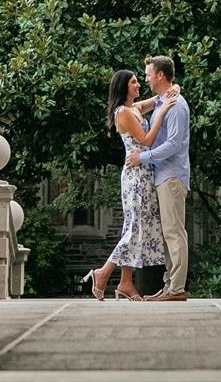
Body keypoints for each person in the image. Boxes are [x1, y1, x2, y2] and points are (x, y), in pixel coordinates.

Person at [85, 67, 178, 300]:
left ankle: (126, 282)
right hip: (135, 176)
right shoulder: (123, 113)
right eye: (134, 82)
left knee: (134, 228)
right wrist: (165, 110)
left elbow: (156, 99)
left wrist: (172, 90)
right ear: (124, 86)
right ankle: (102, 273)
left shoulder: (135, 108)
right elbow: (147, 139)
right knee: (134, 229)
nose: (139, 85)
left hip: (145, 172)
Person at [125, 55, 190, 300]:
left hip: (172, 175)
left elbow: (173, 144)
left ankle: (177, 289)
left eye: (149, 74)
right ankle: (171, 285)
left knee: (174, 232)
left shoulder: (176, 105)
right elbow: (139, 106)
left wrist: (142, 157)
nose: (146, 78)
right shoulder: (164, 99)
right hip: (162, 175)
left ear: (160, 75)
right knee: (168, 233)